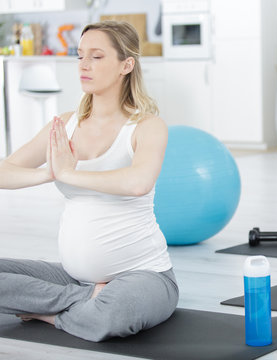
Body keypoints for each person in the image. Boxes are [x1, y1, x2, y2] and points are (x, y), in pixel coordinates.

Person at [0, 21, 178, 342]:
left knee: (111, 316)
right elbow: (4, 170)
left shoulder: (147, 126)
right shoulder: (65, 124)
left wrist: (69, 173)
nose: (83, 65)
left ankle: (46, 311)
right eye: (80, 55)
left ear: (126, 64)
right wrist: (47, 173)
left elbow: (138, 181)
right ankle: (81, 301)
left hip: (143, 276)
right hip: (72, 277)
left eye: (96, 57)